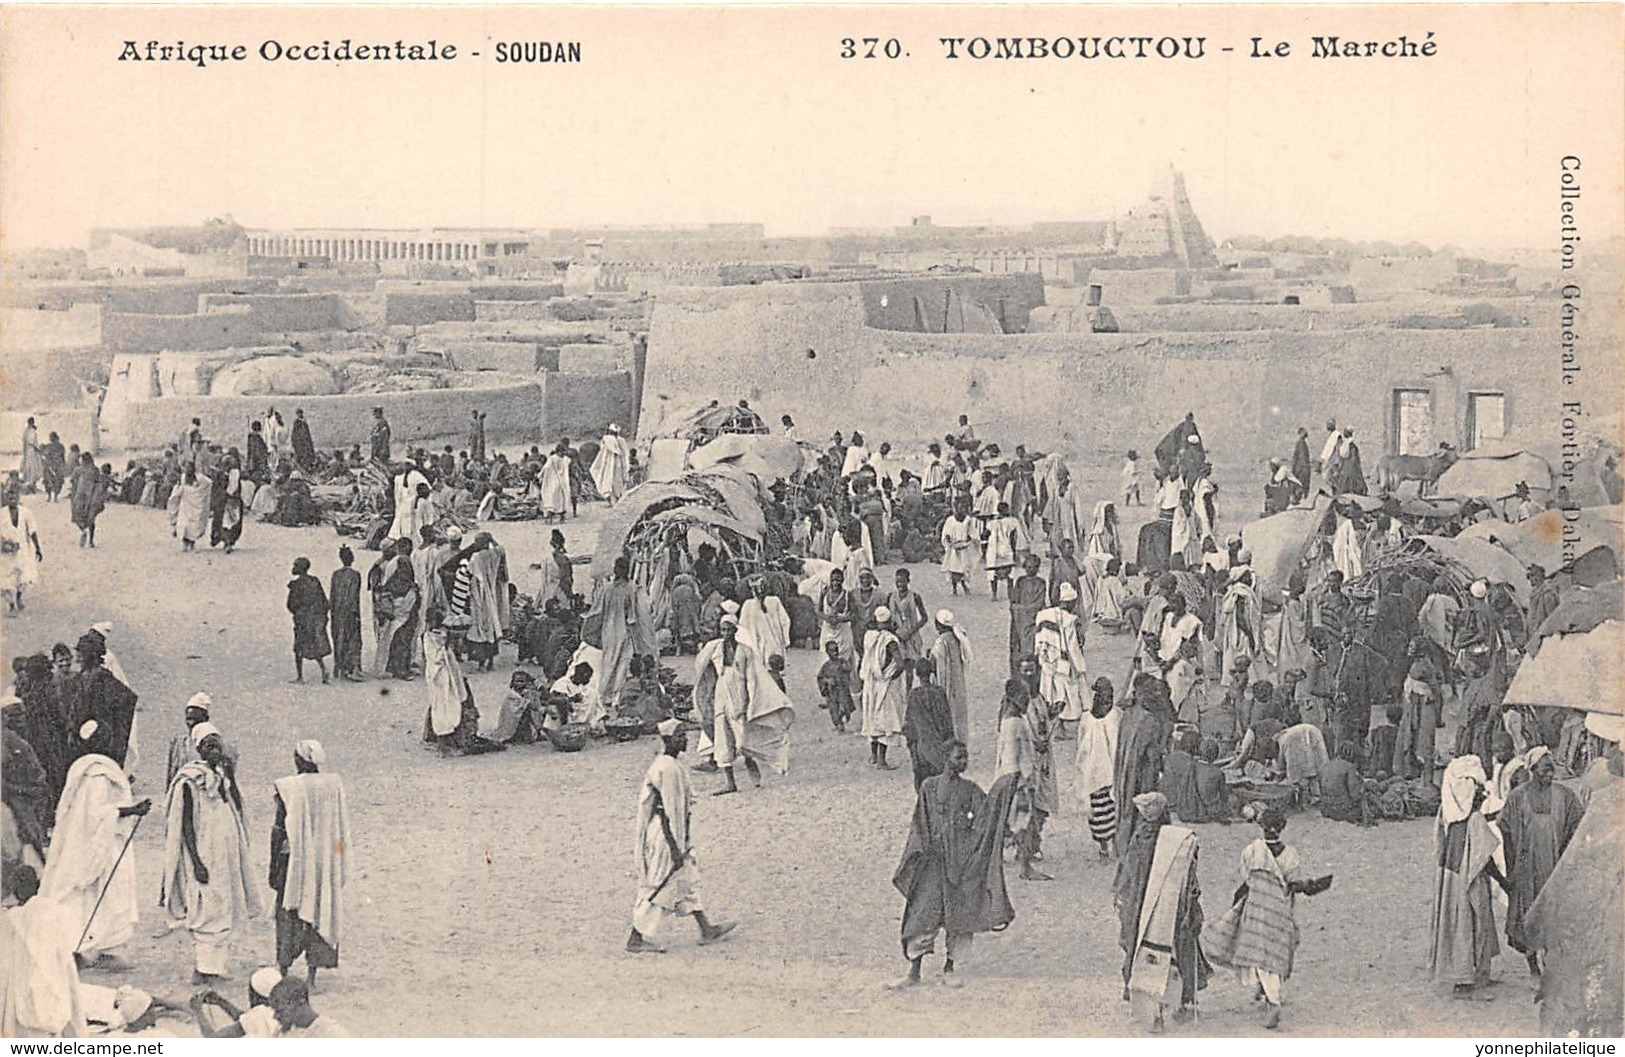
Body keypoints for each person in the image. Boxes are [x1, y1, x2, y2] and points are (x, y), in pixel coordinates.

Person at [889, 740, 1019, 989]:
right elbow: (919, 822)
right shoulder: (928, 787)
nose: (964, 762)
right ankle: (913, 972)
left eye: (966, 757)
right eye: (959, 757)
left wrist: (1004, 792)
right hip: (932, 863)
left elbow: (985, 817)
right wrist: (918, 853)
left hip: (959, 862)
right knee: (922, 914)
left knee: (959, 914)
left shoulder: (970, 790)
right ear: (945, 758)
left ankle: (950, 968)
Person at [1204, 807, 1333, 1029]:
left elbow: (1247, 878)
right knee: (1276, 951)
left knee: (1258, 951)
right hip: (1280, 909)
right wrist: (1311, 885)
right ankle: (1266, 992)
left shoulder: (1252, 850)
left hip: (1256, 907)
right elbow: (1293, 882)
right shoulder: (1291, 853)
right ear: (1282, 828)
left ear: (1262, 827)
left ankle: (1273, 1002)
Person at [627, 719, 738, 953]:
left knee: (687, 881)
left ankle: (707, 929)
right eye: (680, 736)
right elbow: (669, 810)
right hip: (665, 836)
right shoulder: (666, 768)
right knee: (659, 883)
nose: (685, 740)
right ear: (668, 740)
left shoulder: (670, 765)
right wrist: (676, 847)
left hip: (673, 834)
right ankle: (636, 938)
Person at [40, 744, 153, 971]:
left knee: (108, 896)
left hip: (105, 843)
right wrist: (132, 810)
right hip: (91, 847)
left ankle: (106, 949)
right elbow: (95, 814)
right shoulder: (96, 776)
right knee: (86, 898)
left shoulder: (103, 771)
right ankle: (76, 950)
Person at [160, 724, 259, 983]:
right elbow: (184, 827)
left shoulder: (220, 774)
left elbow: (235, 803)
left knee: (224, 905)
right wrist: (196, 862)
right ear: (199, 749)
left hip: (223, 854)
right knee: (208, 910)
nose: (214, 751)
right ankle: (204, 970)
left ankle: (211, 969)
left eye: (217, 745)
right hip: (204, 853)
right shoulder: (189, 780)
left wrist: (231, 775)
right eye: (208, 746)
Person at [1115, 792, 1208, 1033]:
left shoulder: (1138, 840)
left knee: (1142, 951)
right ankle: (1181, 1002)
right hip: (1171, 911)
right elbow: (1190, 882)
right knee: (1178, 951)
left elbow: (1127, 877)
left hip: (1140, 910)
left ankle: (1149, 1009)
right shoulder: (1179, 841)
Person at [1500, 746, 1585, 976]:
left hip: (1555, 866)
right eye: (1545, 769)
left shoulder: (1564, 796)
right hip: (1526, 865)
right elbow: (1506, 831)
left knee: (1554, 916)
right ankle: (1533, 967)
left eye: (1552, 769)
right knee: (1528, 915)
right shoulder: (1518, 797)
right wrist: (1512, 868)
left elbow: (1578, 826)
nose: (1550, 773)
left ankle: (1550, 965)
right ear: (1532, 769)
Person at [269, 740, 348, 987]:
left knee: (288, 912)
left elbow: (279, 828)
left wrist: (273, 866)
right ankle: (312, 976)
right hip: (324, 861)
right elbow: (340, 830)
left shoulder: (288, 787)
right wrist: (336, 858)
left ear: (299, 760)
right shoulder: (333, 784)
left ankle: (283, 971)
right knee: (319, 906)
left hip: (293, 861)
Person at [1429, 755, 1509, 996]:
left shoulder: (1447, 816)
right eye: (1476, 791)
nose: (1481, 795)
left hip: (1450, 878)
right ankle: (1468, 977)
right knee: (1474, 924)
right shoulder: (1474, 820)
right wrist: (1505, 883)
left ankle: (1460, 973)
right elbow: (1486, 859)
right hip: (1471, 879)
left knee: (1454, 924)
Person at [693, 615, 793, 793]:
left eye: (729, 629)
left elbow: (754, 678)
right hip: (721, 696)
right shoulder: (714, 649)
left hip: (740, 697)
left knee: (743, 739)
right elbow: (702, 668)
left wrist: (751, 701)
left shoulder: (745, 651)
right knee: (723, 739)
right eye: (722, 630)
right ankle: (730, 783)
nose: (725, 633)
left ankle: (754, 773)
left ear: (735, 630)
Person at [995, 678, 1053, 882]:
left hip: (1008, 777)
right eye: (1023, 697)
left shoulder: (1006, 721)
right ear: (1013, 698)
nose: (1027, 701)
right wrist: (1026, 783)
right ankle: (1025, 866)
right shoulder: (1016, 724)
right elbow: (1017, 757)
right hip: (1018, 780)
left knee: (1012, 822)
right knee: (1023, 823)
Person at [65, 633, 137, 770]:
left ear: (91, 655)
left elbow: (127, 699)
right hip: (79, 738)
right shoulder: (81, 677)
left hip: (96, 740)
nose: (78, 658)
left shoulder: (102, 678)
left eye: (82, 653)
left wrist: (101, 726)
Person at [1113, 676, 1165, 858]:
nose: (1156, 695)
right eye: (1152, 692)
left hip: (1123, 772)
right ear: (1142, 694)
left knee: (1125, 810)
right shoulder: (1150, 721)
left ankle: (1121, 848)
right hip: (1141, 775)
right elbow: (1152, 758)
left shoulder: (1128, 715)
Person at [598, 557, 656, 704]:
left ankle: (604, 694)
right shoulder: (630, 589)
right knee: (623, 664)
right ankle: (615, 695)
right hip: (622, 632)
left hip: (608, 632)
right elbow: (633, 616)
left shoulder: (606, 589)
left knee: (609, 662)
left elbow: (597, 612)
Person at [1075, 678, 1120, 862]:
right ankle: (1104, 849)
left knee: (1112, 812)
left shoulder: (1112, 716)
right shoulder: (1091, 718)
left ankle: (1114, 846)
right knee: (1100, 815)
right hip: (1094, 774)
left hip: (1106, 774)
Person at [1036, 582, 1089, 736]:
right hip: (1062, 662)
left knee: (1049, 691)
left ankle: (1052, 725)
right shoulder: (1069, 620)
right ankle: (1061, 727)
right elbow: (1072, 646)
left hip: (1046, 659)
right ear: (1071, 602)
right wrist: (1080, 666)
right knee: (1064, 692)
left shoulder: (1044, 614)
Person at [859, 607, 908, 771]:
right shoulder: (890, 640)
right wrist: (890, 677)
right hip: (884, 685)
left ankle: (873, 756)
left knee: (872, 717)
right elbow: (900, 664)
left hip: (870, 682)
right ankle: (881, 760)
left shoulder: (869, 637)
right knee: (885, 720)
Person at [903, 658, 955, 792]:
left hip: (922, 749)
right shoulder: (940, 692)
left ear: (917, 674)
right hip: (940, 747)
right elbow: (947, 721)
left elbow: (910, 726)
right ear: (931, 672)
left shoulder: (914, 695)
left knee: (924, 787)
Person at [929, 610, 973, 748]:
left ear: (938, 625)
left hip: (945, 684)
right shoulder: (957, 638)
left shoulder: (941, 642)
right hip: (958, 682)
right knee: (958, 711)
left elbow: (933, 663)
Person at [285, 557, 331, 685]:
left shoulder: (296, 585)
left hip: (302, 620)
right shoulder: (314, 581)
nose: (293, 567)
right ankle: (323, 669)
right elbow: (323, 600)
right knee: (314, 645)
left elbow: (291, 605)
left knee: (298, 648)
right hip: (314, 619)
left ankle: (300, 676)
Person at [1, 491, 43, 615]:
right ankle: (11, 605)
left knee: (23, 576)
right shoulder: (2, 513)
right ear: (6, 499)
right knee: (6, 577)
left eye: (14, 497)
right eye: (9, 498)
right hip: (5, 550)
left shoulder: (26, 513)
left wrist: (38, 548)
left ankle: (18, 597)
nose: (12, 500)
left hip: (24, 549)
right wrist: (5, 544)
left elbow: (32, 531)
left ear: (18, 498)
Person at [738, 574, 791, 665]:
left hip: (756, 644)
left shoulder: (748, 604)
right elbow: (785, 622)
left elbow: (742, 627)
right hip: (774, 644)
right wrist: (786, 640)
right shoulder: (774, 601)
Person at [329, 547, 364, 682]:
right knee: (353, 639)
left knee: (339, 638)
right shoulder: (355, 575)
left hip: (337, 611)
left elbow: (333, 595)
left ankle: (339, 668)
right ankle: (352, 668)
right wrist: (354, 612)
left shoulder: (336, 574)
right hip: (351, 611)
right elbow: (354, 595)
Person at [1008, 554, 1046, 674]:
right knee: (1018, 648)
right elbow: (1014, 600)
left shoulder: (1041, 583)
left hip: (1033, 622)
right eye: (1028, 567)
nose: (1031, 570)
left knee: (1033, 649)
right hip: (1019, 623)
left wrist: (1024, 610)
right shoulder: (1020, 582)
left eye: (1034, 567)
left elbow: (1040, 602)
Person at [985, 502, 1030, 599]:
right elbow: (1014, 537)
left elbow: (985, 534)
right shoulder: (1012, 521)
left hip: (994, 550)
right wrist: (1014, 550)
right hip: (1007, 549)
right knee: (1010, 573)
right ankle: (1010, 594)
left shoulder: (992, 523)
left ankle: (994, 594)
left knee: (993, 572)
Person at [939, 498, 980, 596]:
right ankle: (954, 589)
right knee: (953, 568)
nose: (962, 510)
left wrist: (969, 541)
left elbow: (973, 534)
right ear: (956, 508)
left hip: (964, 548)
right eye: (960, 507)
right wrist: (949, 542)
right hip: (953, 548)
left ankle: (964, 585)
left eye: (965, 508)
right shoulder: (950, 520)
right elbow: (946, 534)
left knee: (963, 568)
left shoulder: (968, 520)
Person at [168, 464, 212, 552]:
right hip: (185, 506)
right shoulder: (183, 479)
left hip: (196, 506)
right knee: (184, 524)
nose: (188, 470)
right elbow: (177, 492)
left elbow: (209, 483)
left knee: (194, 526)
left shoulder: (200, 478)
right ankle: (184, 544)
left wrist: (202, 494)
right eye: (187, 469)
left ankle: (191, 544)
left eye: (190, 469)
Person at [817, 640, 856, 732]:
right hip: (831, 691)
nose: (835, 652)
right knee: (833, 708)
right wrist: (827, 681)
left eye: (836, 650)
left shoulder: (842, 661)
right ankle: (839, 725)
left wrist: (845, 669)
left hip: (842, 690)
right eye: (832, 650)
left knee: (844, 707)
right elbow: (820, 677)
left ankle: (843, 718)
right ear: (827, 652)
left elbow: (848, 669)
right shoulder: (826, 666)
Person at [69, 452, 104, 548]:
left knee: (77, 517)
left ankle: (83, 530)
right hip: (92, 497)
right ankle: (91, 541)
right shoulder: (95, 469)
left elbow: (73, 483)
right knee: (91, 519)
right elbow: (99, 483)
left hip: (79, 496)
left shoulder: (78, 470)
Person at [590, 424, 631, 505]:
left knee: (610, 481)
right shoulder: (613, 439)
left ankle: (613, 499)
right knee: (615, 481)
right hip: (614, 464)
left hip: (612, 464)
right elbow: (625, 452)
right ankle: (615, 499)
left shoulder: (607, 439)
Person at [537, 443, 572, 522]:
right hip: (563, 482)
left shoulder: (552, 459)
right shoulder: (566, 460)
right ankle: (561, 519)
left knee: (551, 500)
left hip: (552, 482)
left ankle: (550, 519)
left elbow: (546, 468)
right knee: (562, 500)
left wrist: (539, 476)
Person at [40, 432, 66, 503]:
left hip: (49, 466)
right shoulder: (61, 446)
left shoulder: (48, 446)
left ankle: (50, 497)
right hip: (57, 466)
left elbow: (44, 455)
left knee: (48, 481)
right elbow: (63, 458)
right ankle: (55, 497)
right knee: (57, 481)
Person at [18, 417, 43, 492]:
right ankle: (31, 485)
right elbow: (32, 442)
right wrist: (39, 449)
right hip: (31, 451)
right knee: (33, 468)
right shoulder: (31, 431)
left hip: (28, 451)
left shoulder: (26, 431)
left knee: (29, 468)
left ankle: (31, 485)